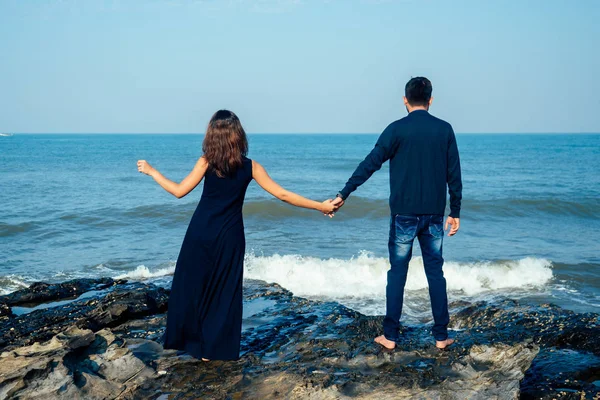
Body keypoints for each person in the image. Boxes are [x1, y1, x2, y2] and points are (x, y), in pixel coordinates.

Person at [137, 110, 338, 361]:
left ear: (212, 135)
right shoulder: (251, 167)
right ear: (238, 135)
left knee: (191, 287)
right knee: (224, 293)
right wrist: (320, 205)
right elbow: (284, 195)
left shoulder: (206, 162)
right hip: (230, 236)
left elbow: (179, 191)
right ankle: (214, 350)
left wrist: (153, 171)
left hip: (200, 233)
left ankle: (192, 344)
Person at [331, 77, 462, 350]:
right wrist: (456, 210)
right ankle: (441, 337)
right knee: (435, 273)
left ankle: (390, 336)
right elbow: (454, 174)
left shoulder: (396, 130)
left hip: (403, 215)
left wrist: (344, 193)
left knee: (398, 273)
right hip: (435, 215)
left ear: (405, 100)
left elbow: (370, 163)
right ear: (431, 99)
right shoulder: (444, 130)